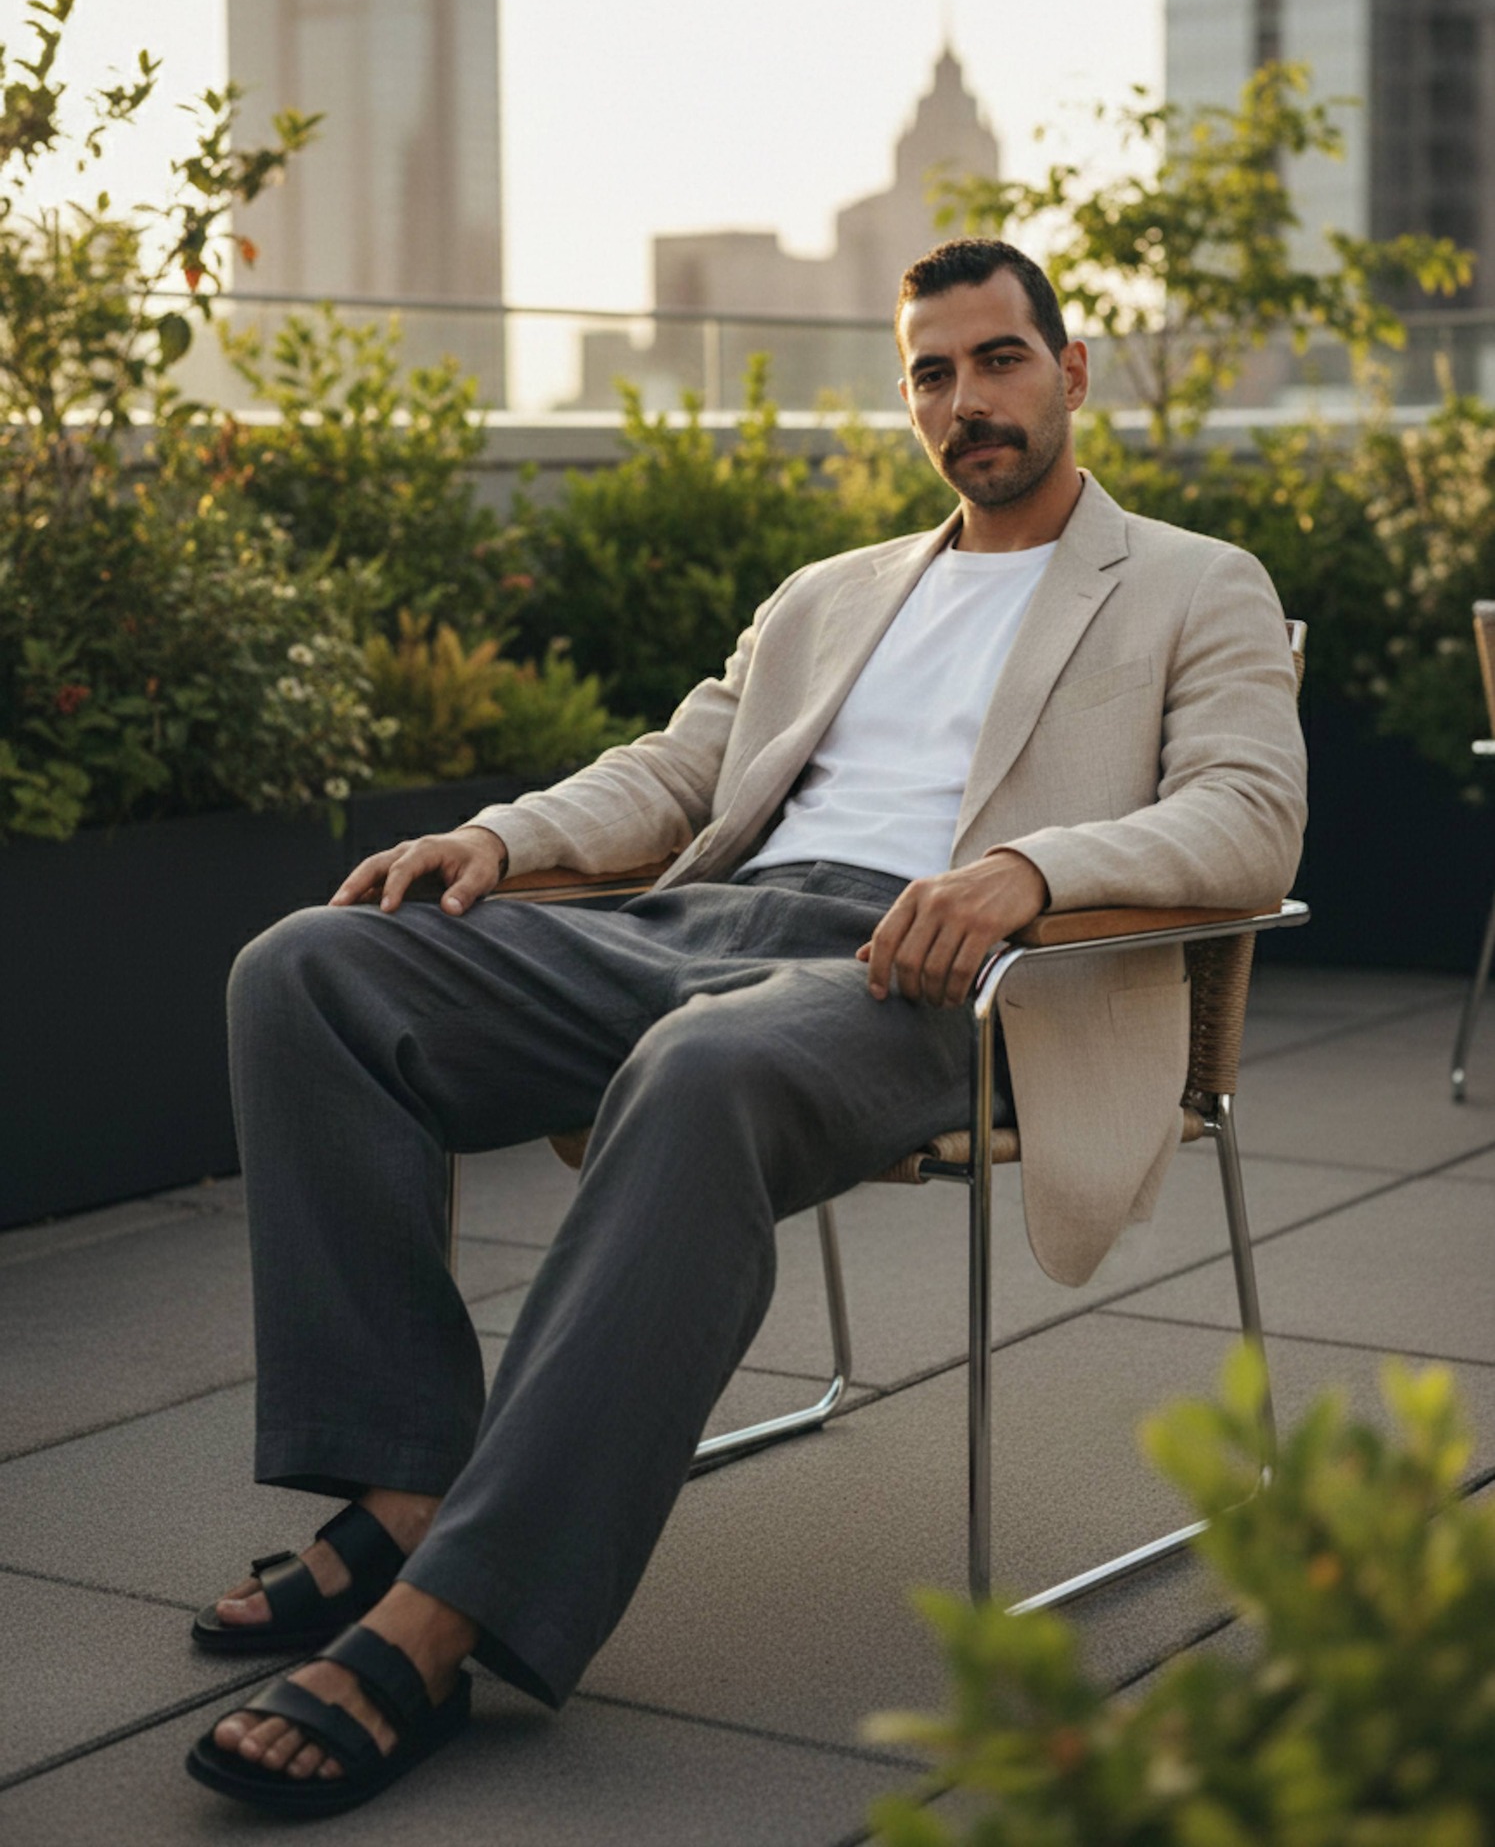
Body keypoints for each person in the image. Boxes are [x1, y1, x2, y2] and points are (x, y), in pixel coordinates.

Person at [186, 239, 1307, 1815]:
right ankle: (404, 1480)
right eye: (933, 371)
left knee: (700, 1070)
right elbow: (678, 771)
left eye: (998, 360)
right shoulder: (831, 595)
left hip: (949, 974)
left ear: (1070, 370)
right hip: (704, 925)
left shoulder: (1199, 581)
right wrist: (502, 840)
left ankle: (447, 1614)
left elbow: (1252, 821)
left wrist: (1025, 873)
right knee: (310, 968)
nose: (967, 399)